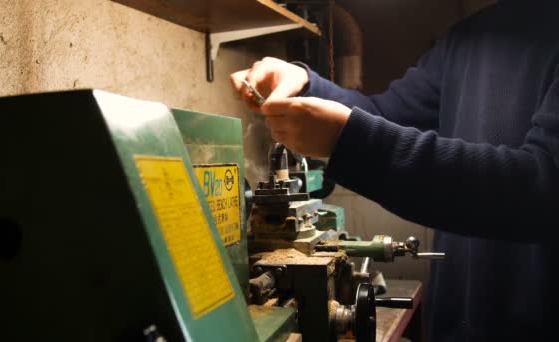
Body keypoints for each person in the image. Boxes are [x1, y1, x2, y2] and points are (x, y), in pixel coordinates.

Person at [230, 1, 558, 341]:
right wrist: (305, 85)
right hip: (455, 322)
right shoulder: (467, 38)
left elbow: (541, 186)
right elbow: (386, 115)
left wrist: (350, 139)